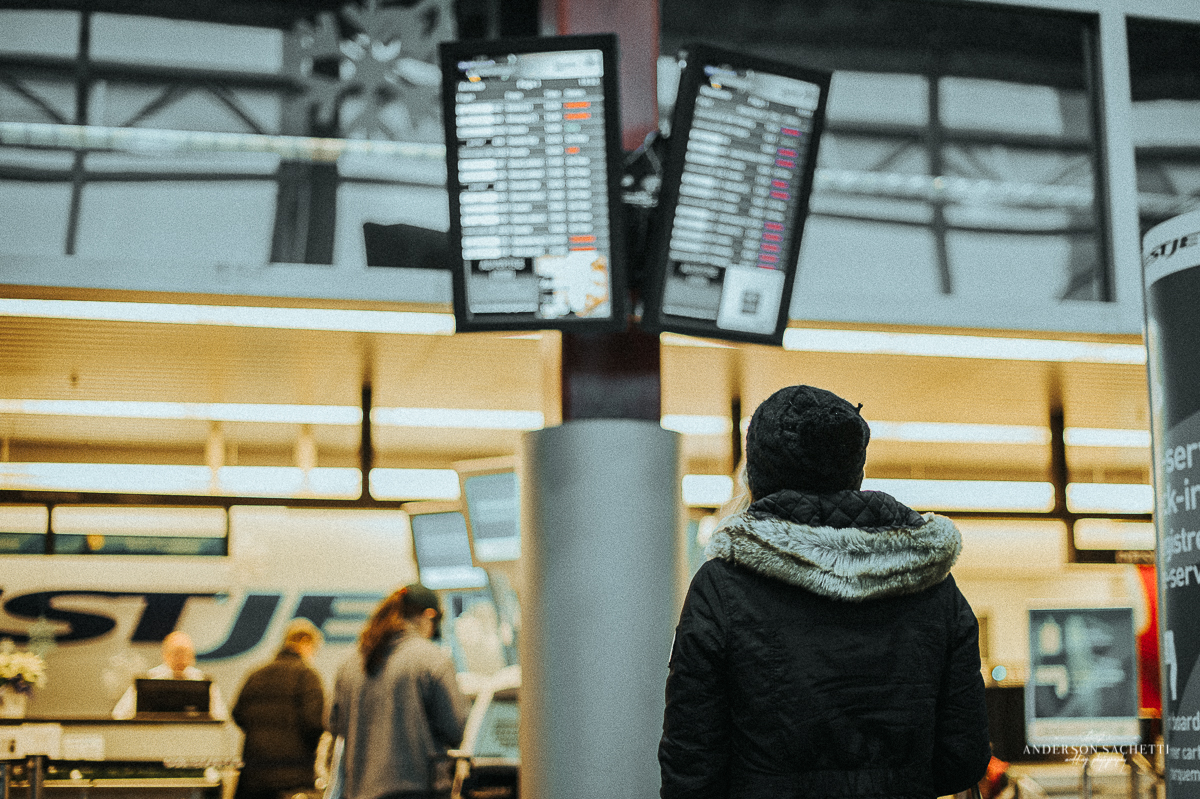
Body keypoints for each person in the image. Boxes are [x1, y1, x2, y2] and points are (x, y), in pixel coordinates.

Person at [659, 384, 992, 799]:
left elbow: (691, 766)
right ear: (855, 471)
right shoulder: (933, 587)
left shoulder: (722, 588)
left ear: (758, 476)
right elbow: (964, 757)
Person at [328, 584, 468, 799]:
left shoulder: (350, 662)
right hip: (417, 789)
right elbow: (456, 727)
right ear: (428, 616)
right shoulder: (431, 658)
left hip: (359, 791)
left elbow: (333, 723)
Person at [232, 618, 327, 799]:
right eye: (314, 648)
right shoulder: (307, 676)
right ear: (305, 642)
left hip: (254, 776)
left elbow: (238, 714)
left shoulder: (256, 674)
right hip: (293, 779)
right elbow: (315, 722)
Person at [112, 630, 229, 719]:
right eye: (177, 653)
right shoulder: (149, 679)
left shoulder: (203, 682)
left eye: (186, 653)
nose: (182, 658)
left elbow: (221, 716)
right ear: (165, 654)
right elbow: (119, 714)